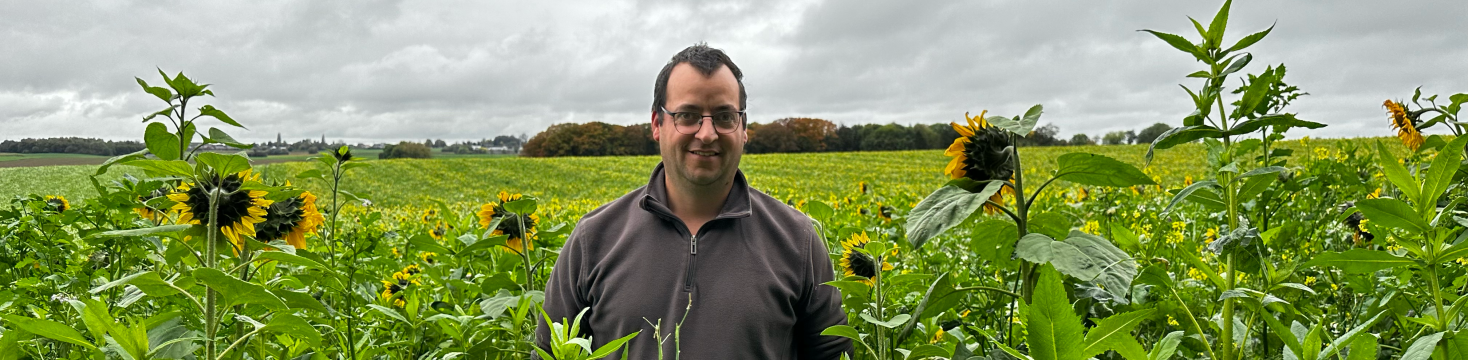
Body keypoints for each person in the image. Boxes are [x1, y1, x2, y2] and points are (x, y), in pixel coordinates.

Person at [535, 43, 851, 359]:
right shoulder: (594, 240)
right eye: (688, 115)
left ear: (743, 129)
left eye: (725, 116)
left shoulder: (797, 241)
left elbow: (833, 354)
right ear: (657, 124)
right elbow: (549, 353)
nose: (707, 133)